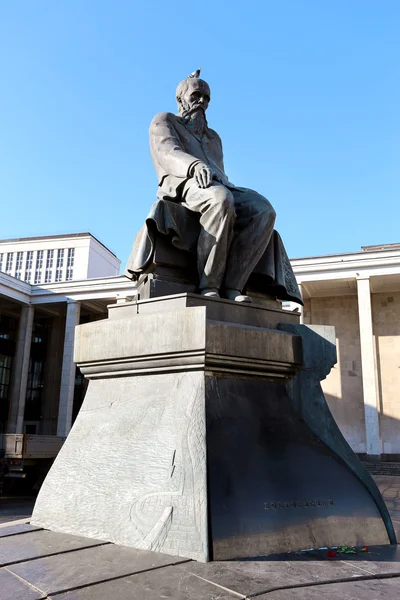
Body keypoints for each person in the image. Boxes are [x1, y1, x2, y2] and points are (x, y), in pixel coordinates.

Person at [149, 69, 276, 303]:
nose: (202, 102)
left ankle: (233, 287)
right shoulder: (164, 120)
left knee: (263, 209)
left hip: (217, 183)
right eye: (196, 95)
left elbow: (219, 171)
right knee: (219, 199)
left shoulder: (213, 137)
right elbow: (168, 153)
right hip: (182, 183)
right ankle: (209, 284)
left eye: (206, 98)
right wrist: (194, 166)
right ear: (180, 99)